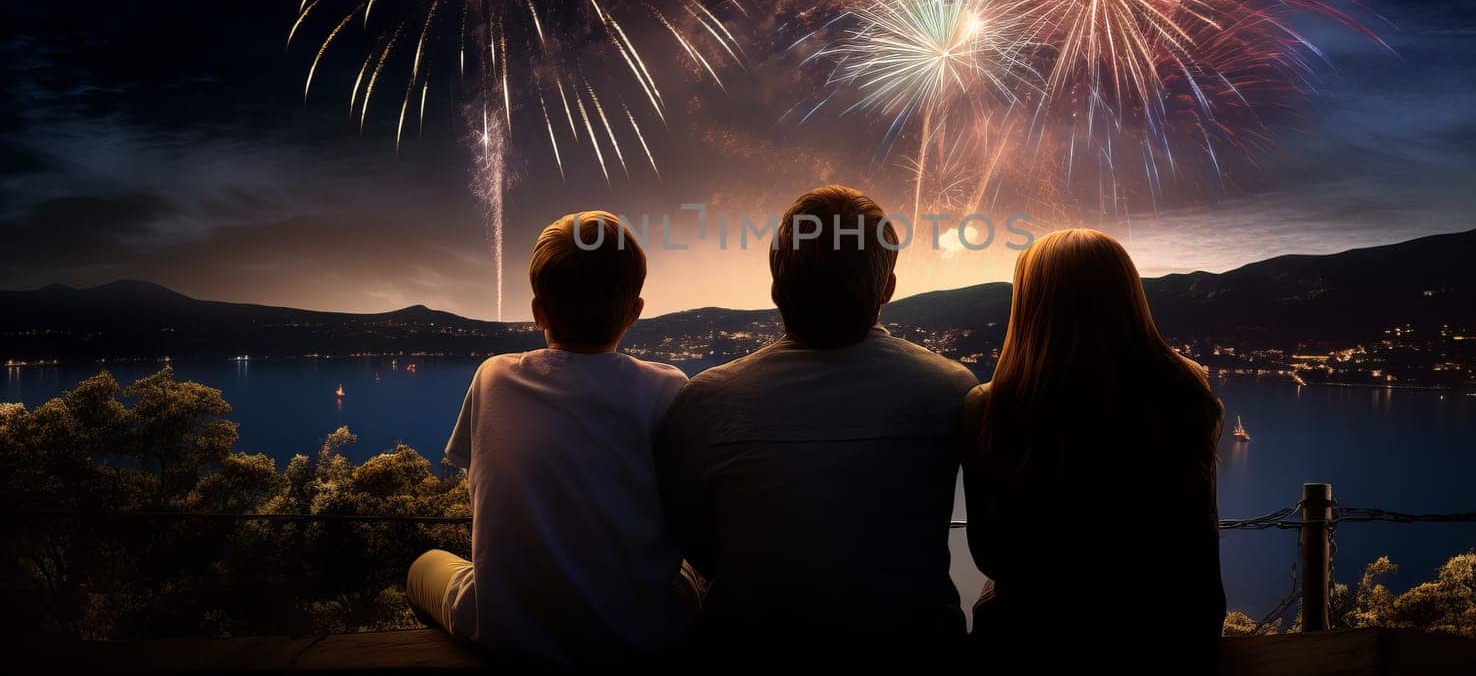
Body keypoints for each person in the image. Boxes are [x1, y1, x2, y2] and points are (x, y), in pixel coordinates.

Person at [656, 185, 977, 665]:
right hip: (917, 649)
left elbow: (695, 542)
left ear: (775, 287)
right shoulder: (950, 389)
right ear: (887, 288)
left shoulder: (705, 400)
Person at [407, 211, 697, 666]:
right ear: (636, 311)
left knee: (421, 568)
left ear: (538, 310)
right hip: (642, 633)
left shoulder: (493, 377)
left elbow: (482, 484)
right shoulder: (669, 387)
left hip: (504, 630)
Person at [961, 229, 1225, 667]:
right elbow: (1200, 537)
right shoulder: (1185, 390)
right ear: (1128, 295)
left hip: (1034, 643)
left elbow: (990, 552)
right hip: (1172, 639)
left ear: (1029, 304)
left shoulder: (990, 406)